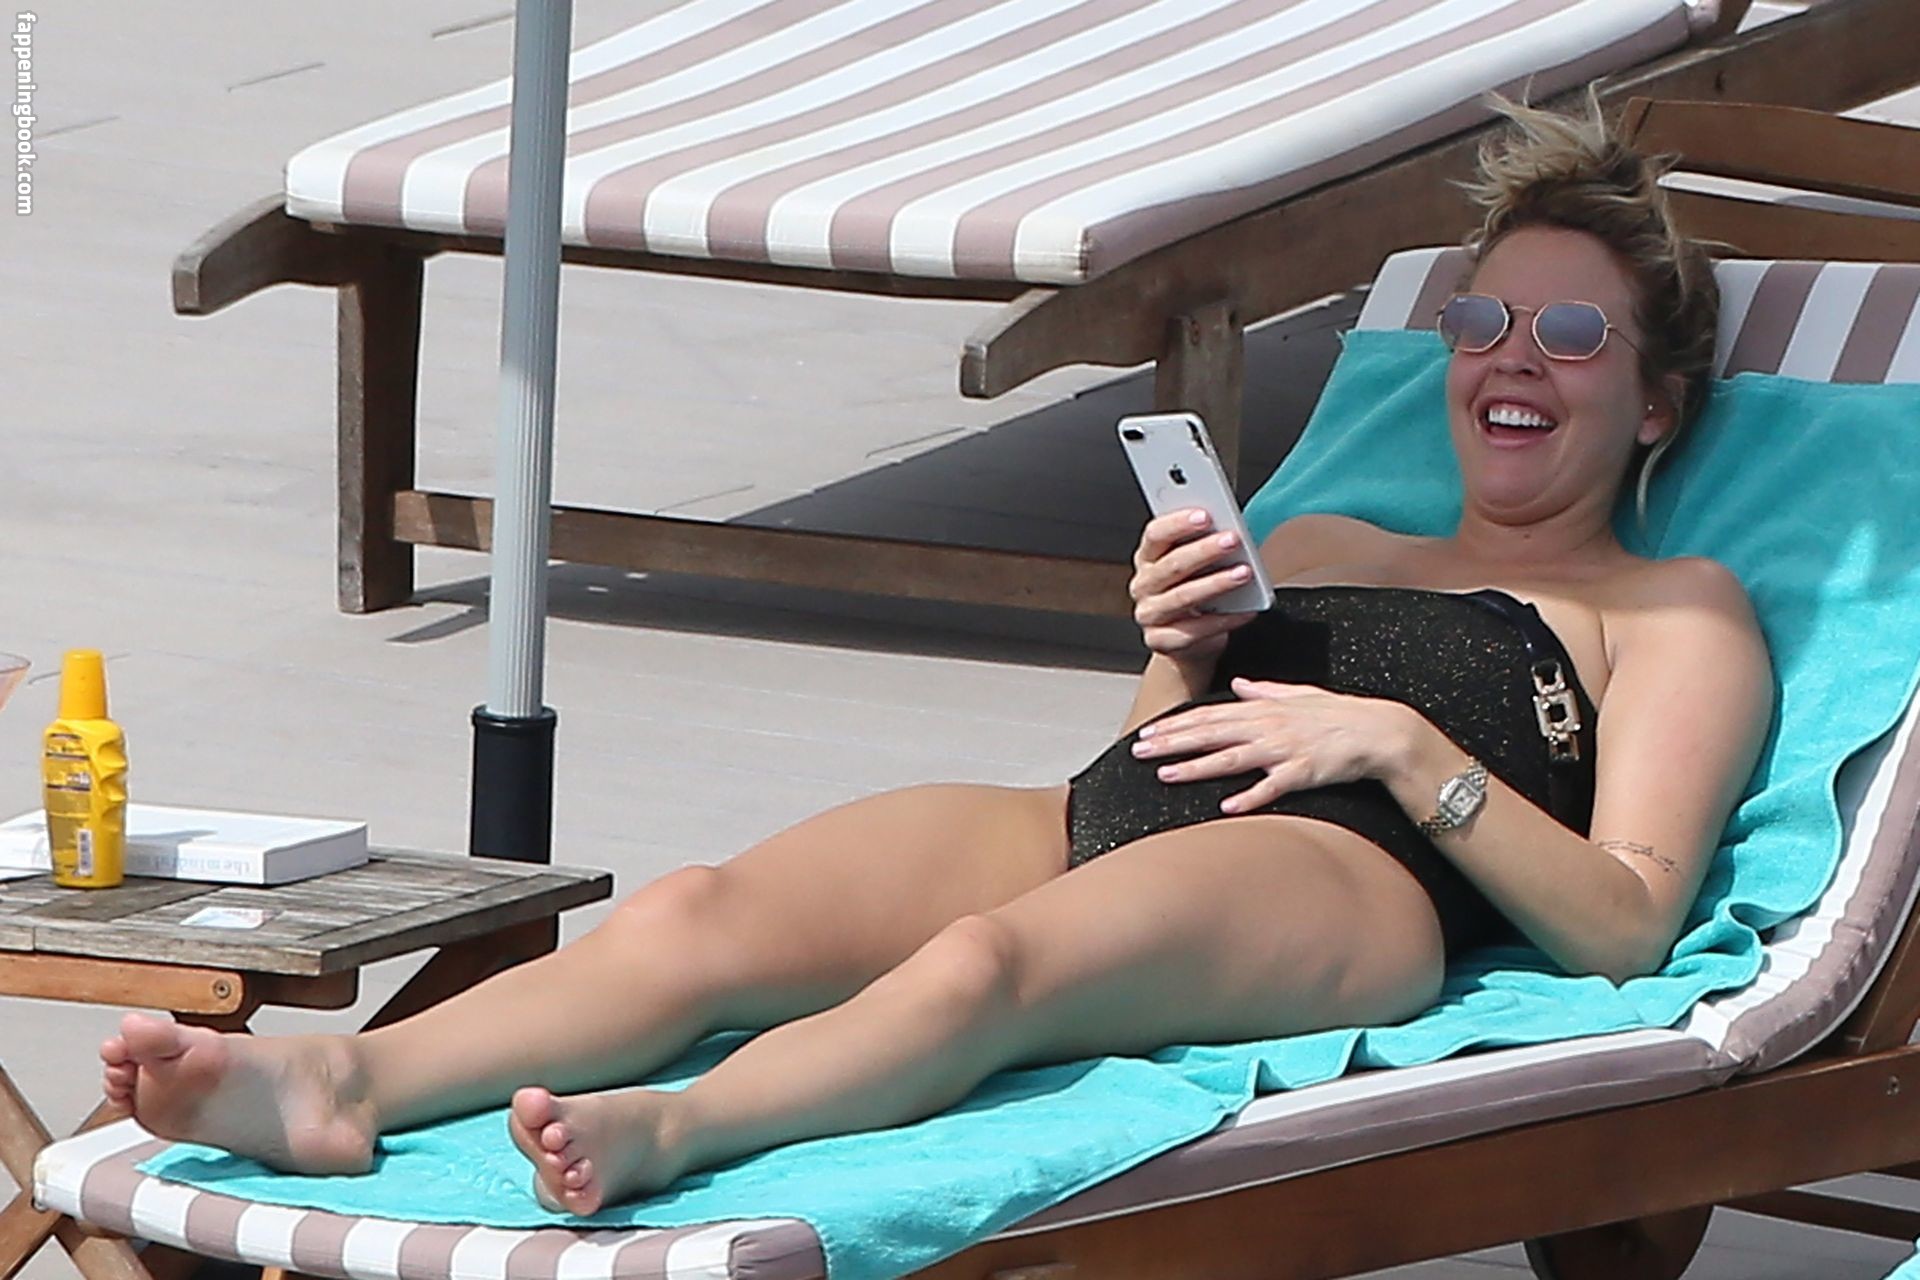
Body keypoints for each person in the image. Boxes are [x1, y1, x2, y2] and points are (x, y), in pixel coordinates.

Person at [99, 98, 1772, 1218]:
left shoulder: (1669, 610)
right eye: (1482, 322)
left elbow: (1628, 925)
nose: (1510, 360)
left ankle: (680, 1128)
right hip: (1110, 819)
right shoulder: (1330, 534)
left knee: (981, 969)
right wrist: (1179, 645)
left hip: (1353, 880)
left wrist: (1401, 752)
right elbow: (1156, 745)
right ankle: (344, 1078)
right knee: (699, 913)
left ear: (1657, 403)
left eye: (1571, 336)